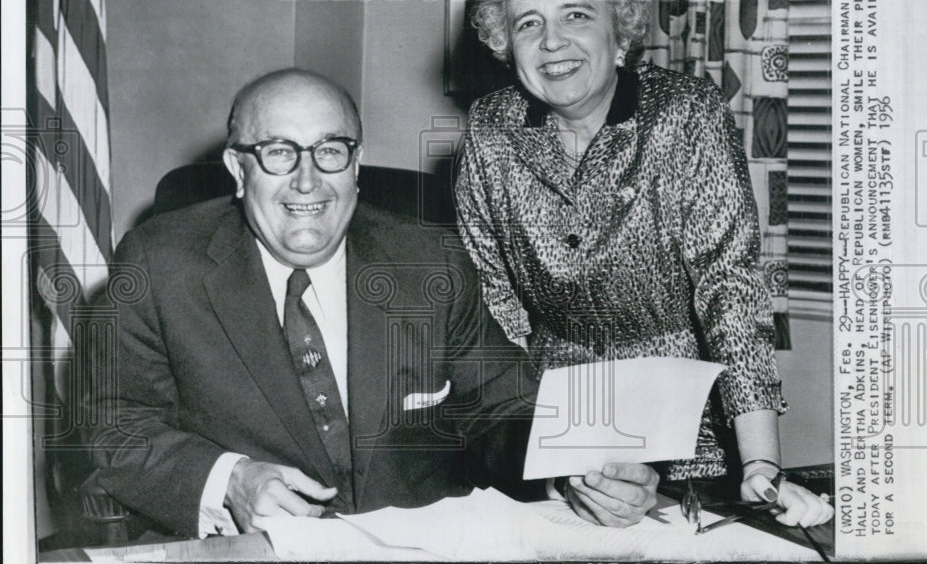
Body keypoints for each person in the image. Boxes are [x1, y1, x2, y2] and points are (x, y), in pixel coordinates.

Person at [87, 68, 657, 539]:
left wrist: (579, 464)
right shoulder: (159, 265)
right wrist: (230, 480)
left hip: (418, 559)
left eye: (330, 151)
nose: (308, 182)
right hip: (246, 556)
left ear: (356, 167)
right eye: (280, 153)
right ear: (239, 169)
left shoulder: (429, 261)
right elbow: (117, 426)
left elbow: (503, 405)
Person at [455, 0, 834, 528]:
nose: (552, 41)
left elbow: (728, 287)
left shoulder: (685, 112)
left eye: (575, 15)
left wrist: (760, 462)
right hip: (554, 424)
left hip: (690, 433)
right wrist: (543, 450)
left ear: (619, 31)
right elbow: (491, 302)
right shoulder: (490, 128)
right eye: (527, 23)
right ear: (508, 45)